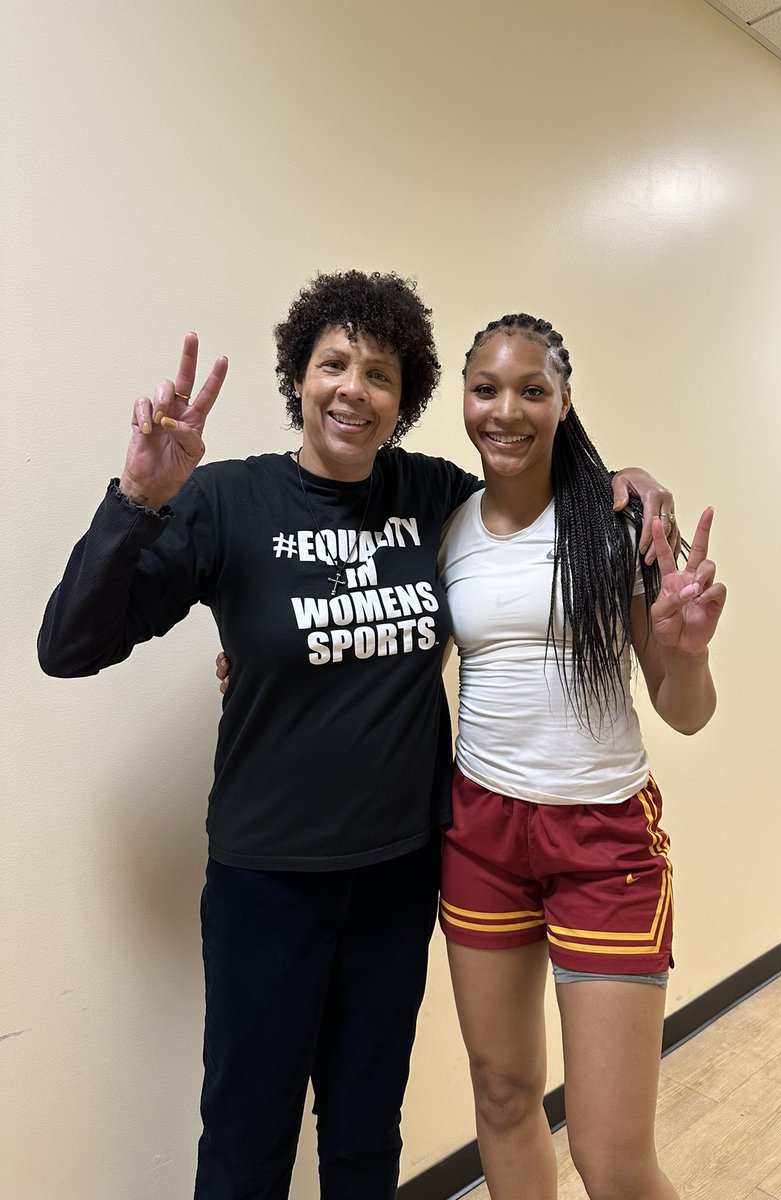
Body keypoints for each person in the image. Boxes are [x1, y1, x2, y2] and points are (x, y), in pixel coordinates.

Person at [38, 271, 677, 1200]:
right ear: (298, 376)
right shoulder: (225, 502)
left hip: (400, 872)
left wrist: (626, 479)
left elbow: (534, 491)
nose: (354, 389)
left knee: (366, 1134)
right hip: (268, 882)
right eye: (334, 364)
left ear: (406, 399)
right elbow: (69, 646)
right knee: (249, 1140)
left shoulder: (435, 499)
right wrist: (135, 500)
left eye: (380, 374)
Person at [437, 314, 726, 1200]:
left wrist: (688, 652)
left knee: (611, 1158)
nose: (506, 410)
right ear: (464, 398)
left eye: (533, 390)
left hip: (604, 841)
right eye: (486, 388)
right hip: (480, 832)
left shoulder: (617, 522)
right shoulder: (446, 527)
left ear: (566, 402)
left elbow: (687, 714)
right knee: (502, 1093)